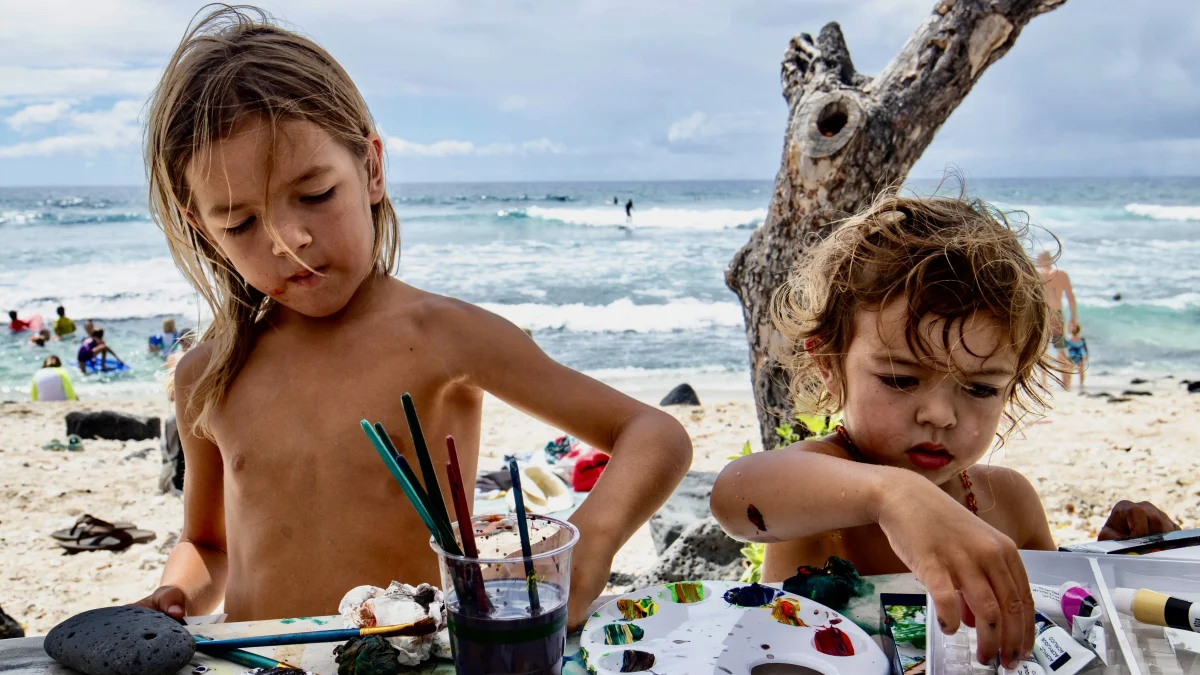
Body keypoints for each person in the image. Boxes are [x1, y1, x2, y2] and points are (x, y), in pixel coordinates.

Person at [133, 6, 691, 628]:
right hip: (266, 664)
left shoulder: (442, 337)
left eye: (315, 195)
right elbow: (209, 546)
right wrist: (174, 594)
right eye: (239, 223)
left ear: (371, 167)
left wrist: (592, 536)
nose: (290, 241)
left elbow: (654, 434)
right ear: (203, 230)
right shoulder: (208, 375)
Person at [710, 190, 1178, 669]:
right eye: (901, 379)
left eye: (979, 389)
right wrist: (893, 496)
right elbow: (735, 495)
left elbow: (1049, 628)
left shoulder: (1008, 500)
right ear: (829, 364)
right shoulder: (818, 481)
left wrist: (1117, 568)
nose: (940, 415)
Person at [1037, 250, 1076, 390]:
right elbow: (1071, 297)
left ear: (1040, 260)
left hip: (1044, 315)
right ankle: (1067, 383)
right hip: (1057, 314)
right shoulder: (1061, 275)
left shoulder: (1037, 275)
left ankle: (1044, 383)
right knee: (1061, 348)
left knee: (1042, 350)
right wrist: (1073, 318)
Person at [1063, 321, 1088, 393]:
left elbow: (1085, 349)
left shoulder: (1082, 339)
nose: (1073, 328)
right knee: (1069, 372)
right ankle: (1069, 386)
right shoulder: (1068, 340)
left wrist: (1086, 355)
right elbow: (1064, 349)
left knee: (1081, 372)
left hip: (1080, 357)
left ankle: (1081, 385)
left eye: (1074, 327)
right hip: (1071, 357)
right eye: (1072, 327)